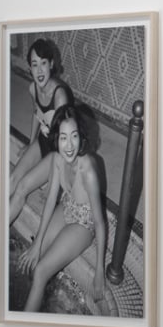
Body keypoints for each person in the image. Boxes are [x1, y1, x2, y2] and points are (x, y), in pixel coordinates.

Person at [16, 104, 108, 314]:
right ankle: (35, 301)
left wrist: (100, 271)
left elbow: (101, 222)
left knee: (40, 271)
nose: (69, 146)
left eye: (74, 136)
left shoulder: (89, 171)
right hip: (67, 207)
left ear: (81, 137)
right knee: (33, 258)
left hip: (84, 223)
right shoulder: (57, 159)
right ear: (56, 138)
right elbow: (50, 200)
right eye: (63, 137)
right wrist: (37, 243)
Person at [7, 38, 71, 227]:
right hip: (44, 140)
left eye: (44, 63)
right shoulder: (32, 88)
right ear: (30, 68)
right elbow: (37, 114)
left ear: (51, 64)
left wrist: (55, 177)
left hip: (57, 152)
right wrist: (30, 141)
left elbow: (65, 144)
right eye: (35, 65)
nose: (40, 70)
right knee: (12, 179)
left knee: (22, 188)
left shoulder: (60, 96)